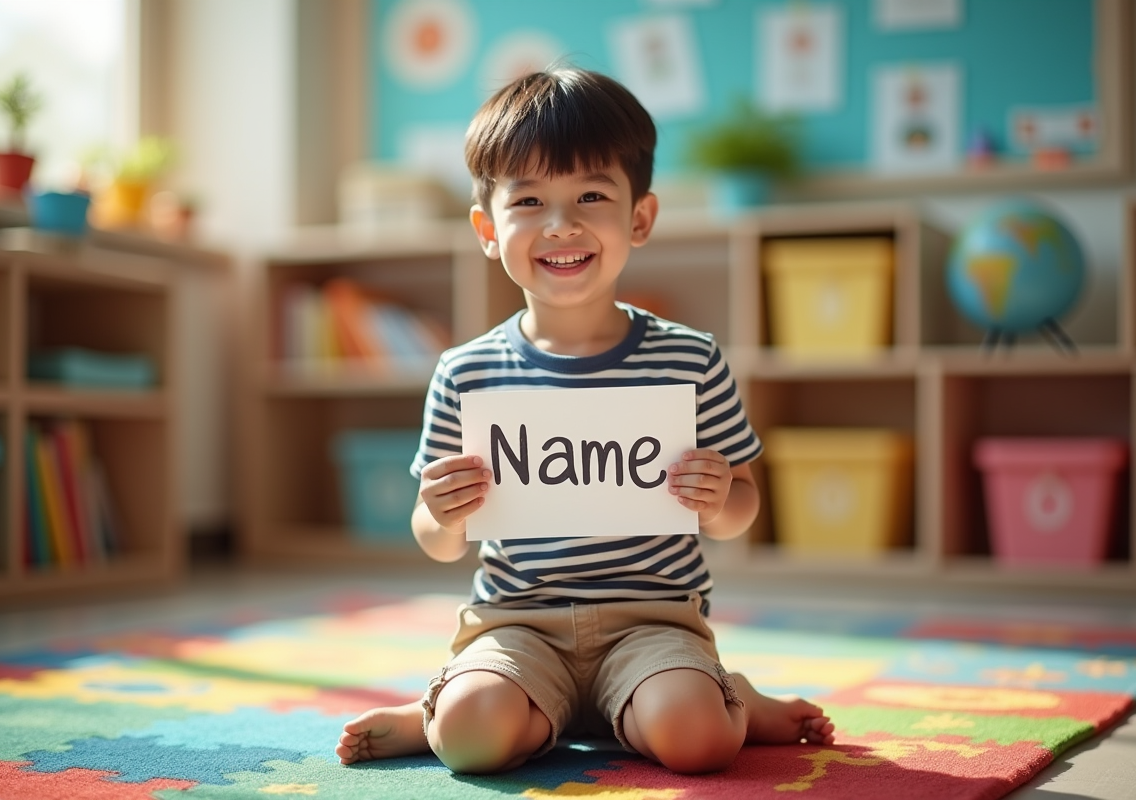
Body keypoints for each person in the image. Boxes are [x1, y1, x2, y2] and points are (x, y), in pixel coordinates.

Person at [335, 67, 835, 776]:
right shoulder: (466, 372)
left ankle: (732, 701)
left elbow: (740, 512)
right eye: (529, 200)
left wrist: (723, 498)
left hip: (654, 625)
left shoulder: (691, 361)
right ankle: (441, 712)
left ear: (640, 218)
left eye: (591, 196)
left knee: (698, 744)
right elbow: (437, 541)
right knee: (471, 743)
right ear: (488, 228)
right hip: (516, 626)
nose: (561, 225)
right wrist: (443, 515)